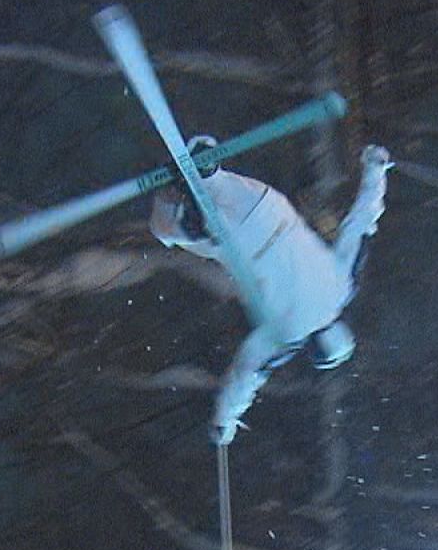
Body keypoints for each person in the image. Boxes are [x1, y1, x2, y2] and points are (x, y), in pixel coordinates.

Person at [151, 137, 392, 446]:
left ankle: (206, 172)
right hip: (239, 243)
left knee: (216, 182)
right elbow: (245, 374)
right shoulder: (286, 338)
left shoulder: (343, 284)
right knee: (164, 230)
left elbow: (362, 221)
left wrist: (375, 169)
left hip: (270, 209)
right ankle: (187, 215)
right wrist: (224, 420)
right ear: (313, 349)